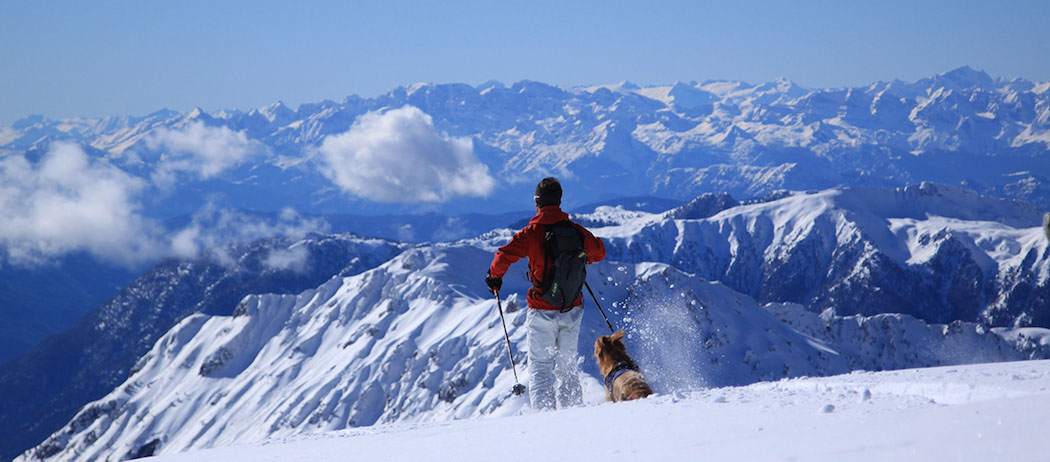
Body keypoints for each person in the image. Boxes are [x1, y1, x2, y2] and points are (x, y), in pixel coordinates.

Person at [485, 177, 606, 410]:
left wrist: (494, 277)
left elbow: (504, 255)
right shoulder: (575, 232)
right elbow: (599, 252)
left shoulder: (532, 233)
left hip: (541, 310)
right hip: (572, 307)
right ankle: (572, 413)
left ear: (537, 202)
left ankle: (545, 421)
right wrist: (580, 258)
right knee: (567, 368)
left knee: (540, 368)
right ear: (559, 201)